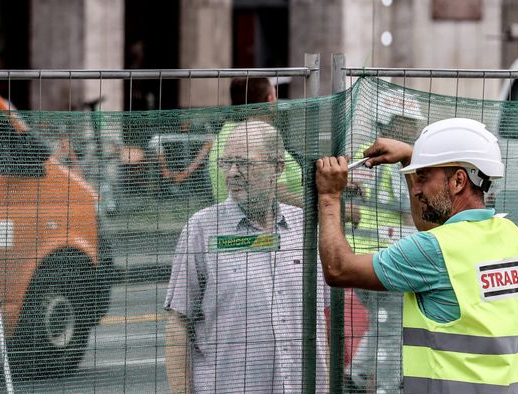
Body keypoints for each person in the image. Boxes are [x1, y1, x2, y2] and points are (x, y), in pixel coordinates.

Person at [316, 118, 518, 393]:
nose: (416, 189)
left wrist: (330, 196)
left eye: (424, 178)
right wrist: (410, 159)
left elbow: (339, 269)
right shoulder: (511, 236)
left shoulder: (433, 249)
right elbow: (433, 231)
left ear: (458, 181)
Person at [165, 120, 329, 393]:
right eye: (226, 162)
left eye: (243, 163)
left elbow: (325, 319)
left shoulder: (306, 229)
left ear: (278, 167)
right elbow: (177, 323)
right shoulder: (202, 229)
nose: (232, 173)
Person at [345, 94, 428, 392]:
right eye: (407, 123)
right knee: (393, 329)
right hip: (388, 256)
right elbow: (412, 213)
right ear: (392, 123)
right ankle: (388, 387)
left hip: (360, 255)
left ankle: (356, 374)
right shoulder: (398, 164)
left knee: (384, 322)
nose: (412, 130)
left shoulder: (361, 154)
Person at [207, 77, 303, 207]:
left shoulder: (225, 133)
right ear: (269, 100)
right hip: (271, 223)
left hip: (231, 220)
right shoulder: (258, 138)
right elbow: (276, 192)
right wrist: (315, 207)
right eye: (275, 95)